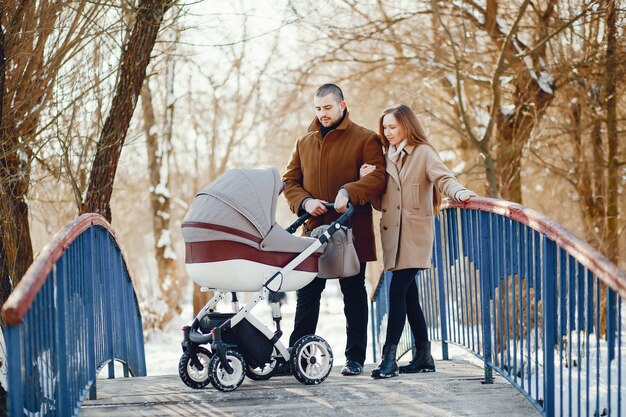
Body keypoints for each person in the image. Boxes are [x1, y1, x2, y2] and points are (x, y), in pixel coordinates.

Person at [360, 104, 477, 379]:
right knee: (409, 296)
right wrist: (367, 180)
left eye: (393, 127)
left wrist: (459, 192)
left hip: (414, 234)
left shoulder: (423, 153)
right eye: (385, 128)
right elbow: (381, 203)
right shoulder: (385, 159)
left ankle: (388, 360)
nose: (387, 133)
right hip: (392, 236)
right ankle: (424, 356)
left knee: (397, 292)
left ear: (406, 126)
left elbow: (443, 178)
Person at [281, 83, 386, 376]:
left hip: (352, 231)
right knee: (307, 294)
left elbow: (378, 178)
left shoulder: (366, 139)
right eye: (318, 108)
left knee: (353, 293)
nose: (322, 114)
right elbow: (289, 182)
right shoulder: (304, 142)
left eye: (328, 107)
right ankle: (298, 356)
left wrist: (349, 191)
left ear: (342, 105)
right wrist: (305, 201)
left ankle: (355, 359)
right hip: (313, 232)